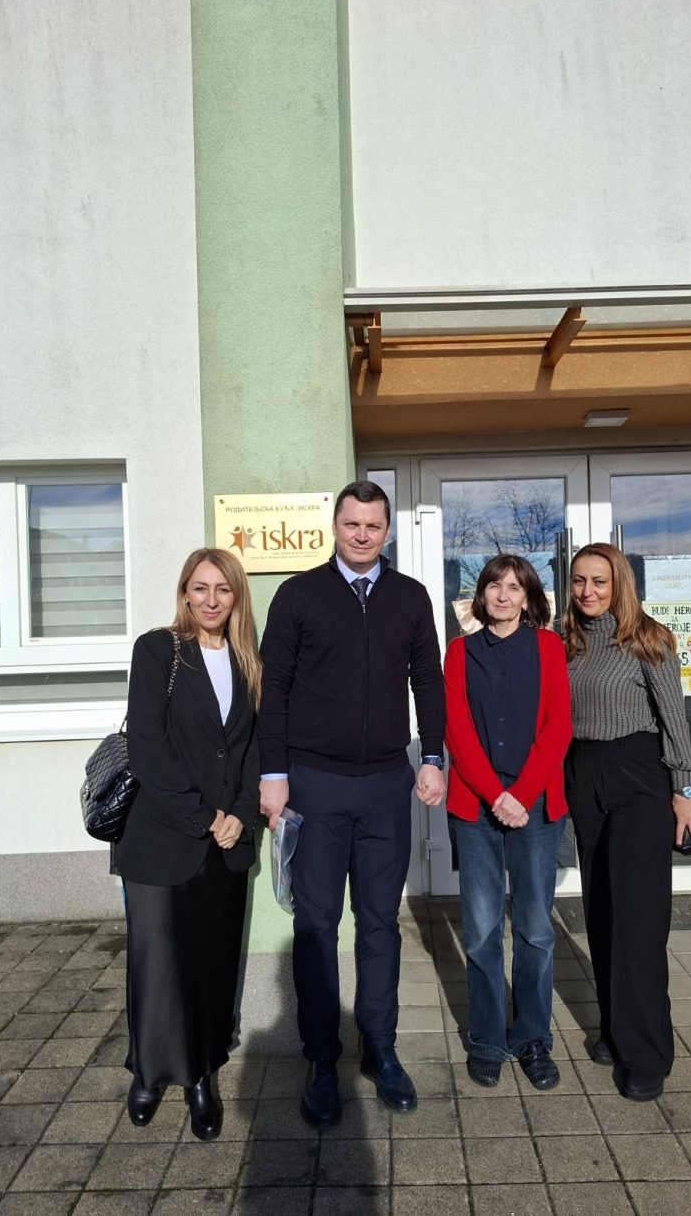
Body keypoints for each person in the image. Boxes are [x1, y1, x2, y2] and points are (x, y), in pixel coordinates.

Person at [258, 480, 446, 1128]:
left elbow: (428, 679)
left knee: (379, 924)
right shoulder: (298, 595)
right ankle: (320, 1060)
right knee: (316, 925)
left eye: (373, 525)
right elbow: (274, 688)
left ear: (387, 530)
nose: (362, 534)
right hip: (314, 783)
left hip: (386, 786)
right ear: (334, 526)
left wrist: (432, 756)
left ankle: (381, 1049)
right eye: (352, 523)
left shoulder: (409, 597)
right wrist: (274, 774)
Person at [114, 548, 260, 1140]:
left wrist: (241, 816)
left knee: (211, 962)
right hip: (162, 838)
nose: (210, 600)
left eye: (222, 589)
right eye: (200, 588)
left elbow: (253, 750)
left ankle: (201, 1074)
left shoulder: (249, 661)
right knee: (155, 963)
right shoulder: (158, 651)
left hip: (226, 844)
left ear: (236, 596)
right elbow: (147, 746)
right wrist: (204, 816)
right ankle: (149, 1073)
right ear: (184, 593)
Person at [563, 543, 691, 1102]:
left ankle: (647, 1053)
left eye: (599, 581)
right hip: (584, 775)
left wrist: (685, 790)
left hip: (639, 776)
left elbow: (675, 719)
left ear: (619, 584)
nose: (588, 591)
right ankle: (614, 1030)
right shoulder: (567, 642)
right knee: (601, 909)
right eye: (579, 581)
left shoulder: (649, 640)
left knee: (639, 919)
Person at [444, 556, 571, 1091]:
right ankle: (488, 1039)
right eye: (494, 585)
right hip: (477, 807)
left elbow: (558, 727)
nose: (503, 595)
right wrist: (495, 795)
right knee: (480, 931)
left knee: (536, 930)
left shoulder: (549, 648)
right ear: (481, 595)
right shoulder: (459, 651)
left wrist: (519, 795)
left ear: (527, 597)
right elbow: (456, 730)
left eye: (514, 587)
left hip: (535, 807)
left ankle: (533, 1038)